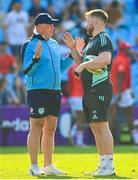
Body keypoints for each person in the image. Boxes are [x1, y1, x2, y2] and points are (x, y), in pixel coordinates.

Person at [21, 13, 74, 176]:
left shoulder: (54, 43)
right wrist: (36, 58)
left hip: (55, 92)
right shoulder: (29, 44)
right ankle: (34, 165)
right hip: (38, 91)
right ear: (39, 26)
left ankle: (48, 165)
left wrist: (73, 53)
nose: (53, 27)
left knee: (50, 129)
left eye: (53, 25)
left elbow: (61, 67)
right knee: (36, 126)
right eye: (50, 24)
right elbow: (27, 71)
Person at [64, 9, 115, 176]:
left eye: (87, 21)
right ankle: (102, 165)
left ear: (95, 20)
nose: (86, 25)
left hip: (100, 87)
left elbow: (105, 59)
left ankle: (109, 167)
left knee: (102, 126)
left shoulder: (103, 38)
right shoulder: (92, 41)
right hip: (90, 89)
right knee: (95, 126)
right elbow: (80, 61)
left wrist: (84, 66)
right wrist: (73, 49)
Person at [110, 41, 138, 145]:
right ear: (123, 50)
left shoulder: (119, 58)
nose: (130, 50)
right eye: (128, 48)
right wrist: (120, 93)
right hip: (120, 91)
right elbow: (120, 76)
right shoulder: (122, 60)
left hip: (117, 90)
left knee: (112, 117)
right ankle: (136, 140)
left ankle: (107, 142)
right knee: (129, 116)